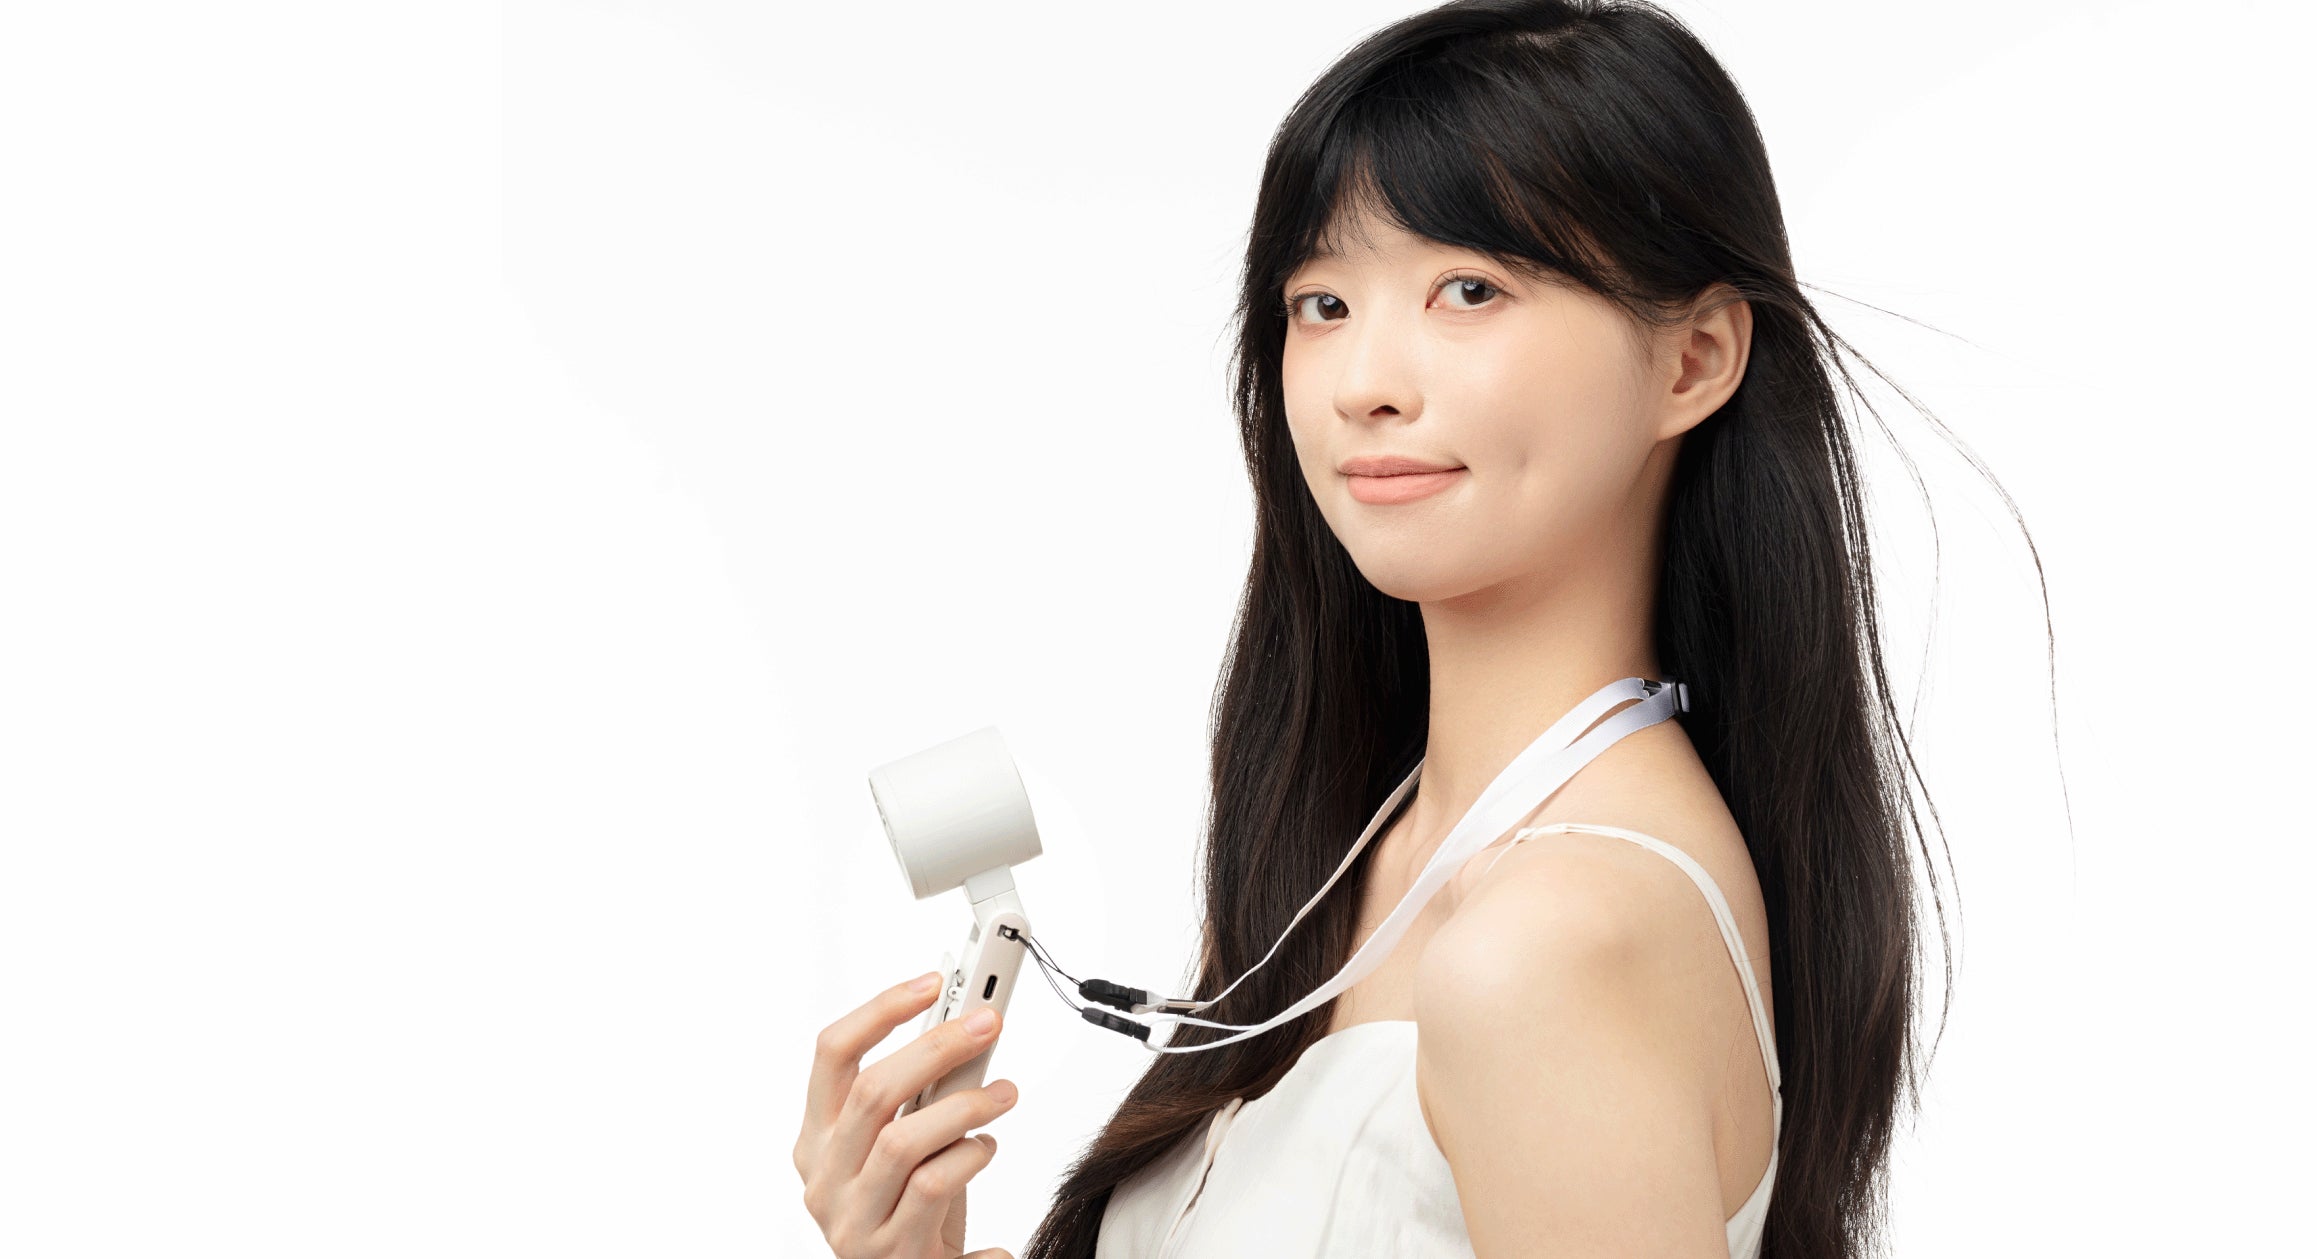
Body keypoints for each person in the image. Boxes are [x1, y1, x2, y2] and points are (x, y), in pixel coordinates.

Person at [796, 1, 2037, 1255]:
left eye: (1468, 289)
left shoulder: (1550, 941)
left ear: (1693, 361)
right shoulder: (1336, 873)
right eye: (1321, 302)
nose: (1363, 383)